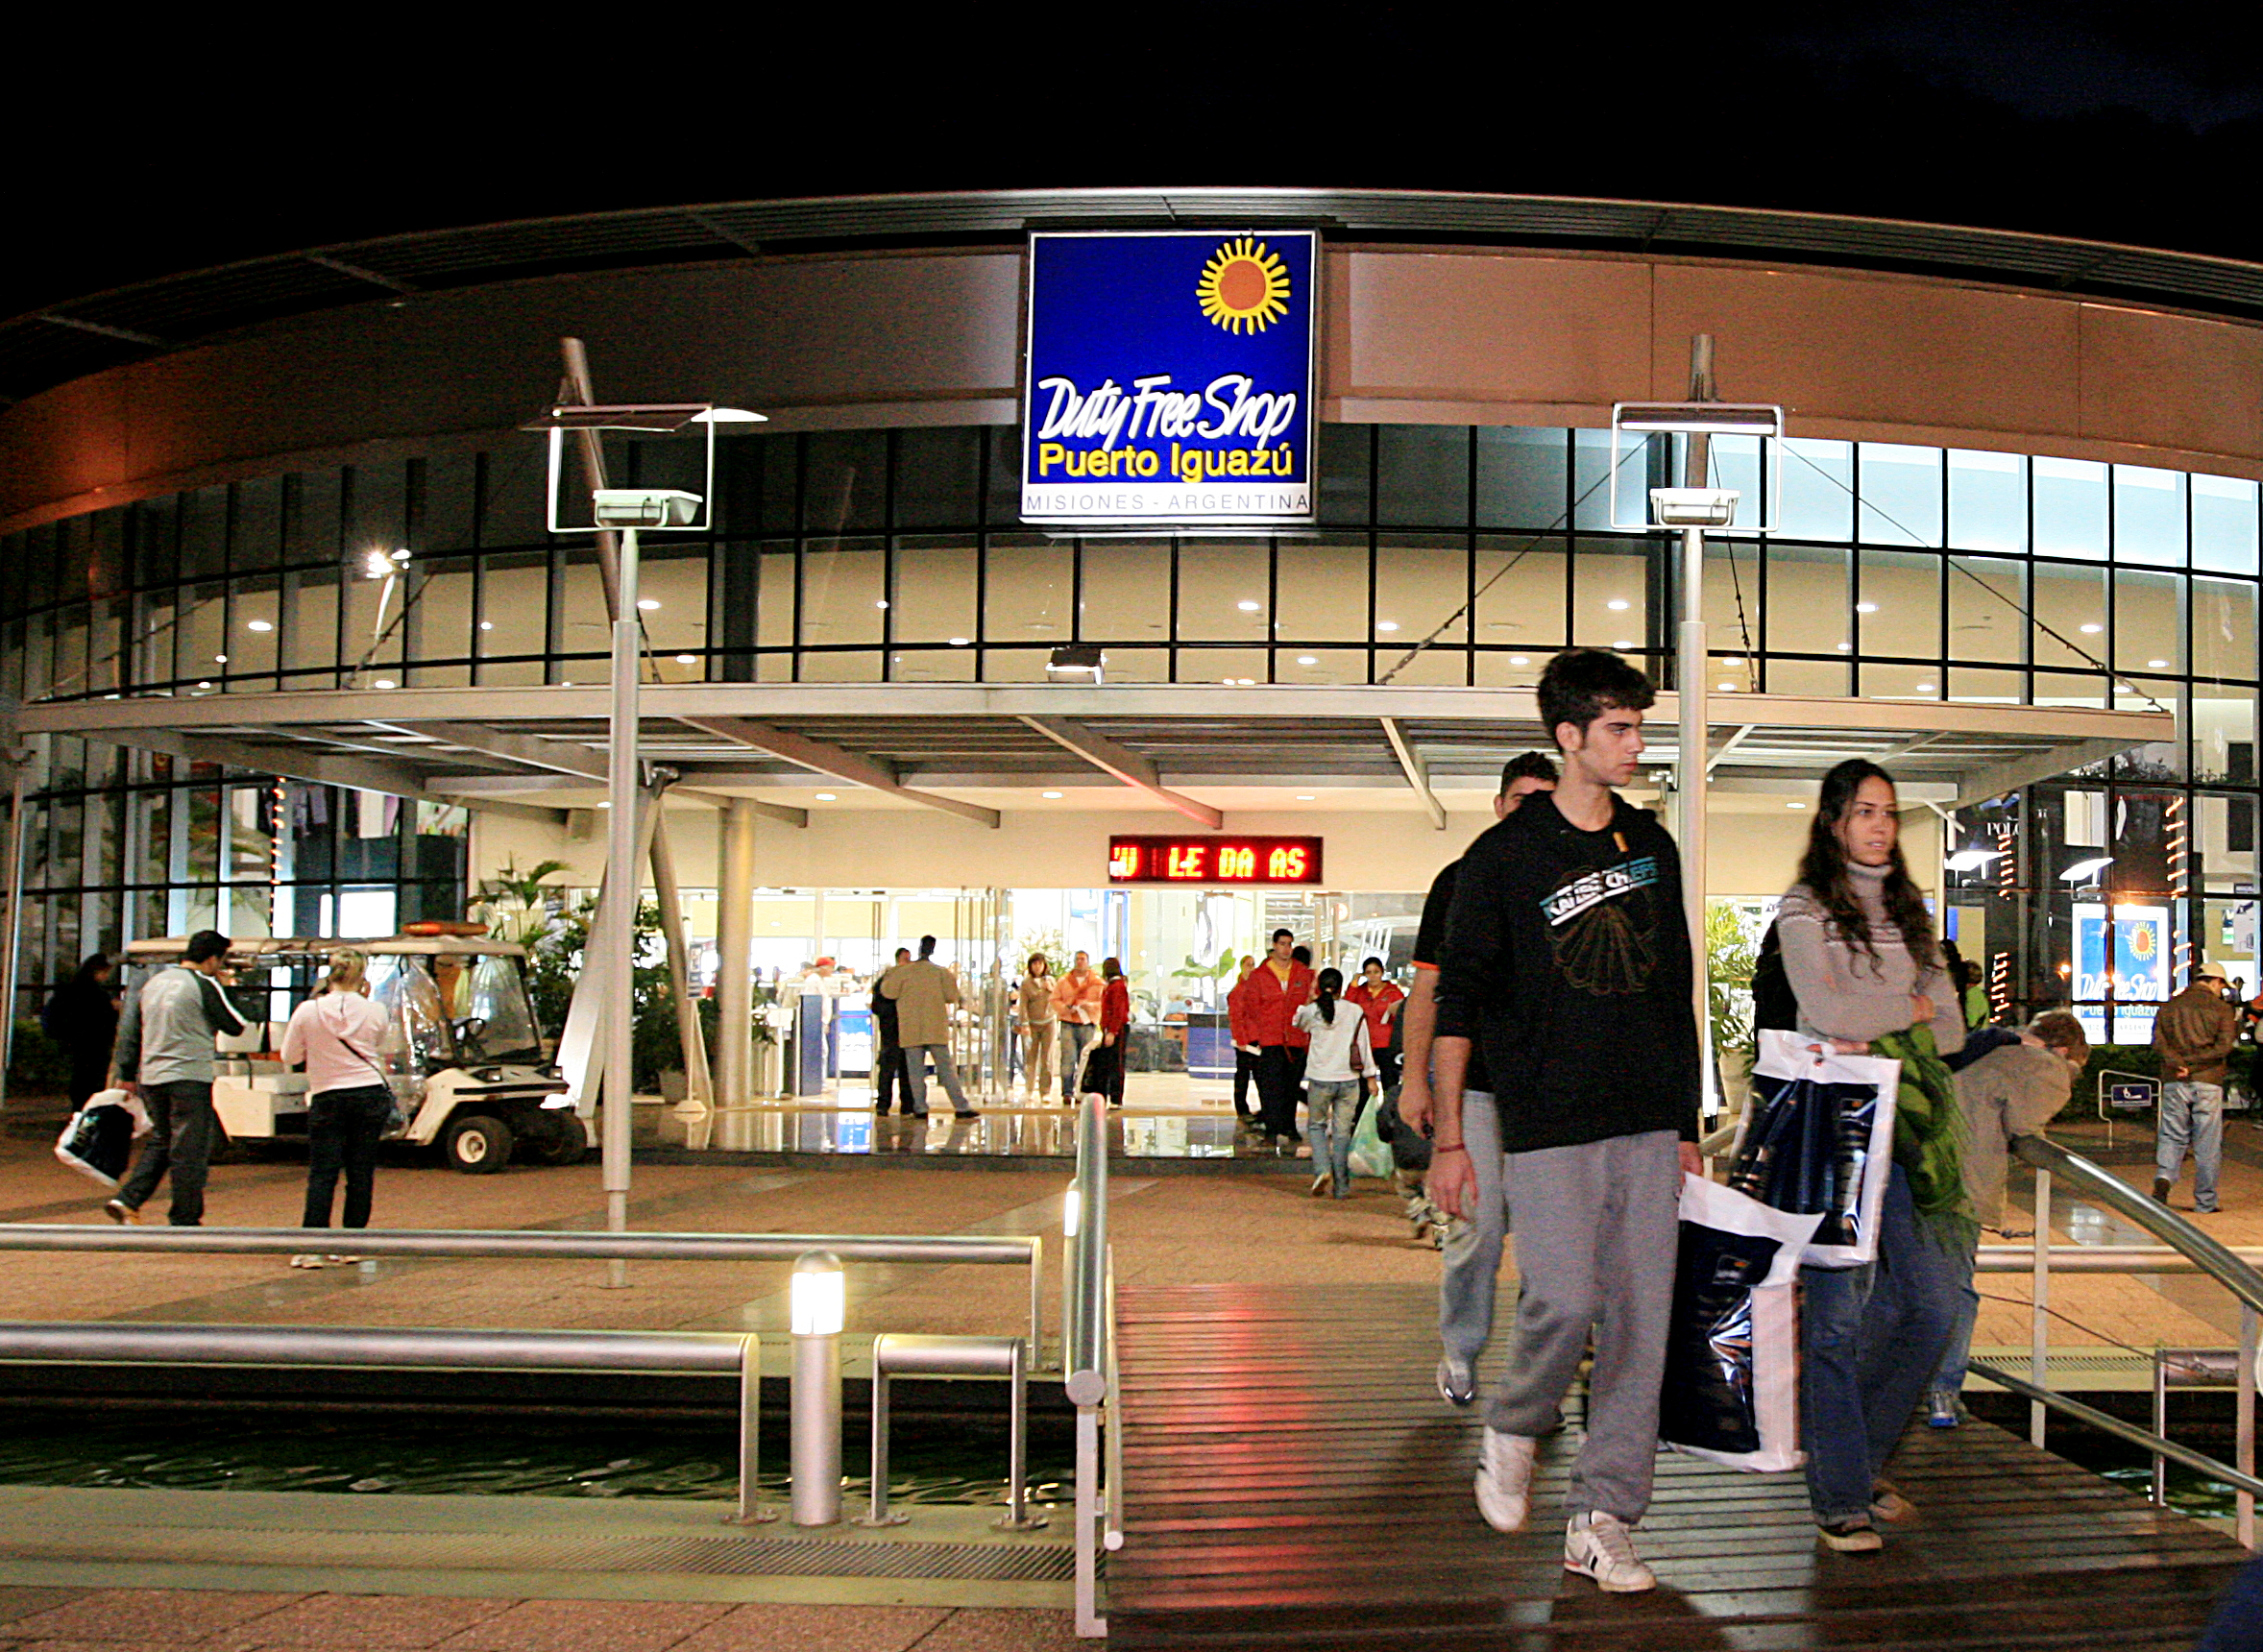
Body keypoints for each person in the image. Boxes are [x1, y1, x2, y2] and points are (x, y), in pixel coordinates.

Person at [1430, 650, 1700, 1594]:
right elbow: (1457, 999)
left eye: (1638, 724)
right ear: (1569, 736)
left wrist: (1685, 1121)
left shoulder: (1651, 848)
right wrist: (1450, 1140)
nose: (1633, 742)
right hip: (1542, 1120)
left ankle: (1602, 1520)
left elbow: (1676, 992)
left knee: (1640, 1325)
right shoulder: (1501, 859)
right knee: (1567, 1298)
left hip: (1642, 1119)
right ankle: (1514, 1423)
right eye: (1617, 727)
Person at [1777, 757, 1971, 1553]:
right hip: (1832, 1126)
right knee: (1834, 1320)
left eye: (1888, 811)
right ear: (1834, 823)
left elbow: (1954, 1029)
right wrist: (1913, 1005)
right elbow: (1823, 1006)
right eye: (1863, 811)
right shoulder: (1804, 907)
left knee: (1929, 1304)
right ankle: (1839, 1494)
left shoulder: (1911, 912)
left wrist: (1887, 1015)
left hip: (1907, 1129)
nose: (1880, 825)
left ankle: (1850, 1456)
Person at [1399, 750, 1558, 1401]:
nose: (1532, 814)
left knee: (1555, 1246)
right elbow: (1426, 993)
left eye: (1545, 802)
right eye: (1521, 800)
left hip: (1553, 1094)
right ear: (1499, 807)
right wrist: (1416, 1080)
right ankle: (1462, 1351)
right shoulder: (1460, 881)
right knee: (1480, 1226)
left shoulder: (1571, 882)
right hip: (1478, 1089)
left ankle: (1536, 1376)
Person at [1928, 1009, 2087, 1427]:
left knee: (1915, 1283)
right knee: (1958, 1290)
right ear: (2067, 1051)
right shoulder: (2048, 1067)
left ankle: (1905, 1386)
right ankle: (1942, 1392)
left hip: (1919, 1172)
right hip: (1959, 1184)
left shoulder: (1988, 1046)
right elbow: (2023, 1124)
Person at [106, 930, 250, 1227]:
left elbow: (131, 1031)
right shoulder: (204, 985)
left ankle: (128, 1200)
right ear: (212, 959)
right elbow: (236, 1025)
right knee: (190, 1150)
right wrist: (229, 987)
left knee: (162, 1139)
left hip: (152, 1077)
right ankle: (185, 1217)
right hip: (188, 1077)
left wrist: (127, 1072)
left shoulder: (153, 984)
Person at [278, 949, 395, 1268]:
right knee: (361, 1171)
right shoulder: (376, 1010)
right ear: (363, 977)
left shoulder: (307, 1010)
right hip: (369, 1095)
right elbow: (383, 1046)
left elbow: (288, 1056)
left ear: (329, 974)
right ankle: (351, 1243)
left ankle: (313, 1247)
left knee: (322, 1172)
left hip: (327, 1095)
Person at [2153, 961, 2238, 1213]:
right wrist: (2193, 1064)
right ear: (2216, 982)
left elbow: (2158, 1043)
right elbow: (2224, 1047)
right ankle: (2205, 1201)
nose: (2222, 991)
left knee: (2171, 1134)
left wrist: (2179, 1064)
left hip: (2174, 1079)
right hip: (2208, 1080)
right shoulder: (2221, 1009)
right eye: (2222, 986)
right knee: (2207, 1142)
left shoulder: (2170, 1007)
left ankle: (2165, 1178)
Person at [1295, 966, 1377, 1198]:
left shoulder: (1312, 1011)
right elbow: (1363, 1045)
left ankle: (1322, 1170)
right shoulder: (1355, 1010)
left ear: (1320, 987)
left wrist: (1311, 1000)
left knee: (1316, 1126)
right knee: (1342, 1133)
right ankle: (1341, 1187)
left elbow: (1297, 1022)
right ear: (1341, 987)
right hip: (1349, 1080)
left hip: (1320, 1079)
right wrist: (1370, 1077)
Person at [883, 936, 976, 1118]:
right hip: (935, 1027)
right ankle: (961, 1106)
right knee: (946, 1070)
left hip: (910, 1027)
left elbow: (888, 992)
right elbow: (952, 996)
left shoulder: (902, 972)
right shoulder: (941, 973)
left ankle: (920, 1107)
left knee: (915, 1072)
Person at [1241, 930, 1315, 1142]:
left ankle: (1289, 1126)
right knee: (1272, 1085)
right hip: (1271, 1039)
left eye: (1289, 944)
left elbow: (1309, 1003)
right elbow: (1252, 1007)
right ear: (1274, 945)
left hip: (1295, 1039)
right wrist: (1262, 1032)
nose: (1286, 949)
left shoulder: (1303, 973)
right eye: (1282, 944)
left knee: (1292, 1086)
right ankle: (1273, 1127)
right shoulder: (1260, 976)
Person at [42, 955, 120, 1110]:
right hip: (94, 1043)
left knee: (80, 1078)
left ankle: (79, 1109)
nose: (106, 977)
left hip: (74, 1041)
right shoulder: (97, 995)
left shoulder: (69, 990)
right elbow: (104, 1019)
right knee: (92, 1079)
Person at [1345, 957, 1405, 1100]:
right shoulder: (1360, 991)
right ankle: (1362, 1115)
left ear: (1382, 972)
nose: (1372, 976)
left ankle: (1389, 1113)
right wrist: (1354, 984)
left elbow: (1403, 1015)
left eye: (1376, 972)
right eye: (1369, 972)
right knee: (1363, 1085)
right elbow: (1346, 1007)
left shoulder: (1392, 992)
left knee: (1389, 1083)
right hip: (1364, 1043)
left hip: (1386, 1043)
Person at [1053, 952, 1104, 1105]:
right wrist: (1065, 1008)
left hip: (1087, 1024)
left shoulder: (1097, 983)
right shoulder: (1063, 981)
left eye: (1083, 959)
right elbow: (1054, 999)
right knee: (1068, 1058)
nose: (1080, 962)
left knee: (1086, 1059)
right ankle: (1067, 1092)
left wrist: (1091, 1006)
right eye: (1077, 959)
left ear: (1088, 961)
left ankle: (1083, 1090)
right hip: (1068, 1022)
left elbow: (1103, 1002)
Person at [870, 947, 912, 1115]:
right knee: (893, 1069)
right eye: (906, 959)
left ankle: (901, 1104)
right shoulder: (890, 980)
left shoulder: (890, 980)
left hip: (898, 1030)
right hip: (894, 1031)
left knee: (903, 1069)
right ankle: (886, 1104)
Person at [1016, 952, 1059, 1102]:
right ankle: (1029, 1089)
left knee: (1047, 1058)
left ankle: (1045, 1091)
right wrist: (1024, 1023)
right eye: (1035, 964)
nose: (1038, 967)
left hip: (1049, 1022)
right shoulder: (1026, 983)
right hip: (1032, 1024)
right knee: (1030, 1058)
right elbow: (1023, 1005)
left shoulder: (1051, 980)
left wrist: (1051, 989)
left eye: (1040, 964)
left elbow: (1059, 1000)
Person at [1090, 956, 1132, 1106]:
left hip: (1117, 1029)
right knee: (1108, 1063)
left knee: (1116, 1063)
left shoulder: (1117, 987)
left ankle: (1116, 1098)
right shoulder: (1112, 986)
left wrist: (1112, 1032)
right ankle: (1106, 1095)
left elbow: (1118, 1012)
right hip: (1111, 1029)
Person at [1226, 955, 1259, 1123]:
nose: (1251, 968)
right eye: (1248, 965)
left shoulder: (1254, 989)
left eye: (1253, 965)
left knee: (1256, 1075)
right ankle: (1241, 1107)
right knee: (1243, 1074)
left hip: (1256, 1039)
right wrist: (1241, 1040)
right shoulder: (1238, 992)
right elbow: (1236, 1017)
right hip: (1246, 1041)